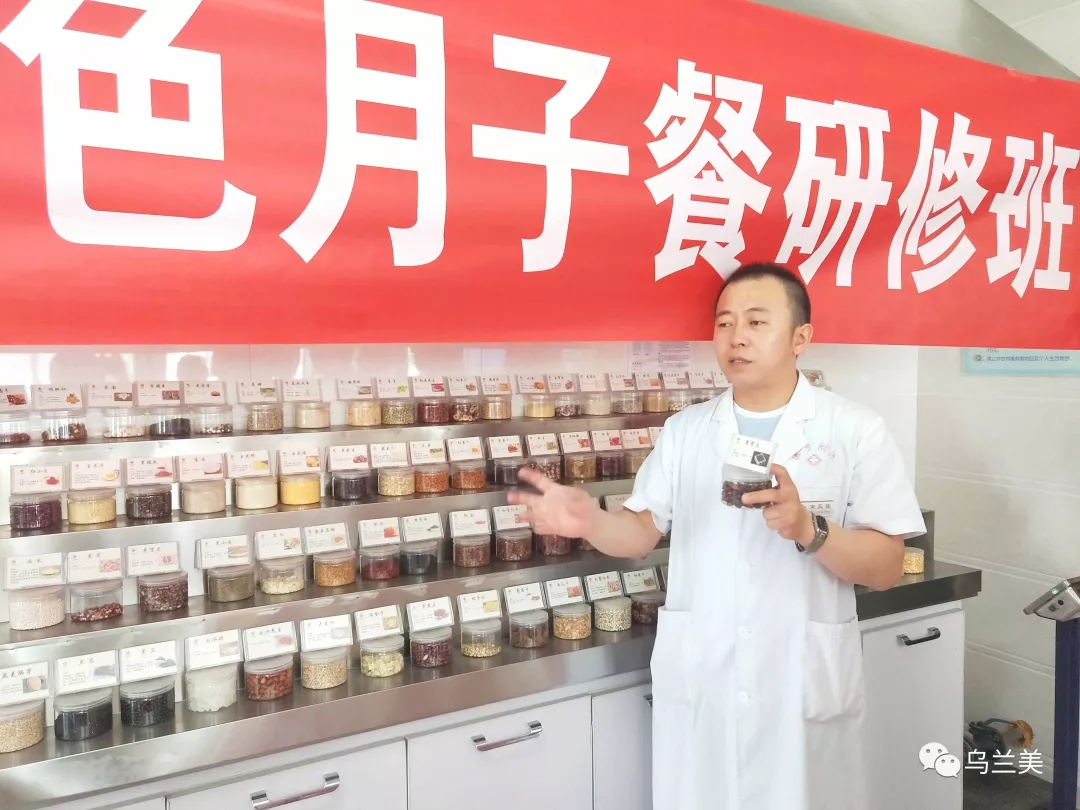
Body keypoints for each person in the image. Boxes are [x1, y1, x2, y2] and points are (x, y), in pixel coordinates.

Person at [509, 262, 926, 810]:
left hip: (800, 683)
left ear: (800, 338)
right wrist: (591, 523)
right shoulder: (687, 430)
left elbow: (888, 565)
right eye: (725, 322)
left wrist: (810, 529)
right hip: (704, 676)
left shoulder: (854, 429)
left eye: (757, 321)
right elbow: (640, 531)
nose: (737, 337)